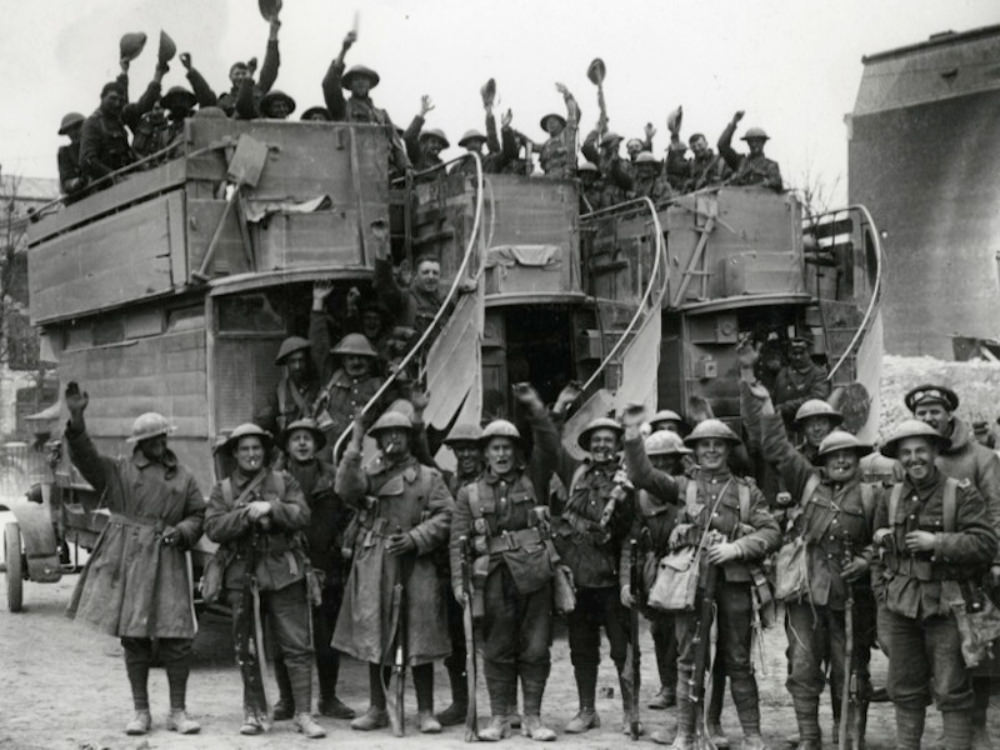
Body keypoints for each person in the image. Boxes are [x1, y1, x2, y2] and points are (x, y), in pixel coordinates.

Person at [625, 416, 780, 750]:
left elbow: (771, 531)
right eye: (704, 445)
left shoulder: (746, 490)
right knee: (688, 657)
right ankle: (686, 732)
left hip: (735, 583)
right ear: (694, 451)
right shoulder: (682, 486)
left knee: (738, 659)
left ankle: (752, 734)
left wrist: (737, 548)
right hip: (691, 583)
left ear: (728, 450)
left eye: (717, 445)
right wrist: (632, 436)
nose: (711, 451)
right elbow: (641, 475)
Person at [63, 383, 205, 736]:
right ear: (139, 444)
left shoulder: (184, 476)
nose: (159, 444)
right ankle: (141, 712)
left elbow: (198, 514)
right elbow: (85, 458)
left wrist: (183, 531)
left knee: (177, 636)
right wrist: (78, 419)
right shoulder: (120, 471)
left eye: (162, 437)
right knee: (135, 636)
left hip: (169, 556)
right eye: (152, 439)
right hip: (132, 558)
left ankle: (178, 711)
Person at [747, 381, 878, 750]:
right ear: (822, 460)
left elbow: (884, 543)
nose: (841, 461)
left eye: (848, 455)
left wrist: (866, 561)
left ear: (857, 457)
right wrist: (768, 407)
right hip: (805, 594)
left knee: (850, 670)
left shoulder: (872, 496)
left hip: (850, 598)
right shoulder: (808, 480)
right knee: (803, 666)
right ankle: (809, 736)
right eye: (834, 456)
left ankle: (848, 736)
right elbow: (776, 447)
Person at [871, 419, 997, 750]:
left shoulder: (961, 492)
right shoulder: (892, 496)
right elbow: (876, 550)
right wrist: (882, 592)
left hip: (947, 606)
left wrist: (937, 542)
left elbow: (986, 543)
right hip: (901, 606)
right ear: (899, 458)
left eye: (921, 451)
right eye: (907, 453)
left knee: (951, 688)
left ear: (935, 452)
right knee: (904, 687)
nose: (915, 459)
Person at [450, 384, 562, 741]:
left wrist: (535, 408)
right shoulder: (468, 493)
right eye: (495, 448)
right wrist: (458, 583)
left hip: (533, 574)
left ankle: (531, 717)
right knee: (497, 648)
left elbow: (548, 443)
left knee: (535, 647)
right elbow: (457, 542)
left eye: (507, 448)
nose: (501, 454)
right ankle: (499, 717)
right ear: (485, 454)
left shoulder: (534, 478)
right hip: (492, 578)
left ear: (516, 452)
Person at [333, 411, 455, 734]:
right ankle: (377, 708)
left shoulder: (430, 477)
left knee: (421, 632)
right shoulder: (369, 474)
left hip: (417, 562)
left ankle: (426, 710)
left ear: (410, 437)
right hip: (376, 558)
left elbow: (447, 516)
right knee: (376, 632)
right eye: (386, 435)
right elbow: (346, 491)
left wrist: (416, 538)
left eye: (399, 433)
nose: (393, 439)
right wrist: (355, 441)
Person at [204, 423, 324, 739]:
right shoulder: (224, 490)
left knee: (297, 646)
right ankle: (255, 713)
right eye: (244, 449)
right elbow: (214, 528)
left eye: (256, 448)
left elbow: (303, 515)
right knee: (248, 647)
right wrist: (246, 515)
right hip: (242, 576)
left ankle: (303, 714)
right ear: (235, 454)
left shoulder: (284, 481)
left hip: (284, 574)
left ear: (265, 451)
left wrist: (272, 507)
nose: (251, 454)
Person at [904, 383, 1000, 749]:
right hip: (930, 576)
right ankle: (953, 727)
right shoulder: (913, 456)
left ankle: (976, 727)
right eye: (922, 412)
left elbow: (995, 512)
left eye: (935, 411)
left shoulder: (981, 457)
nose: (929, 418)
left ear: (948, 415)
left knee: (979, 651)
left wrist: (996, 561)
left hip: (974, 568)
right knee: (943, 654)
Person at [551, 416, 639, 735]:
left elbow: (631, 531)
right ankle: (587, 710)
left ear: (617, 445)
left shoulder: (626, 479)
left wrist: (624, 500)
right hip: (580, 578)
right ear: (588, 446)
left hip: (613, 578)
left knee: (623, 649)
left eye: (608, 440)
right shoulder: (579, 475)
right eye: (596, 440)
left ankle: (631, 712)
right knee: (582, 648)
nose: (602, 445)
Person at [277, 418, 356, 720]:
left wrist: (343, 539)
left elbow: (351, 511)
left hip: (326, 565)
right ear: (287, 445)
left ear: (316, 445)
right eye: (295, 438)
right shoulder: (276, 480)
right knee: (287, 634)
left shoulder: (333, 478)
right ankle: (288, 700)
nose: (301, 443)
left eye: (307, 438)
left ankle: (329, 697)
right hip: (286, 563)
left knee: (326, 636)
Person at [619, 417, 691, 714]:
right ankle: (668, 686)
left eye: (667, 460)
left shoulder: (687, 489)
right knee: (660, 632)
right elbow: (629, 541)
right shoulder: (640, 498)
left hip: (684, 569)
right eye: (655, 460)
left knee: (685, 634)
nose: (661, 465)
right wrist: (626, 580)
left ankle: (689, 688)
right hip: (654, 570)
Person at [433, 422, 486, 727]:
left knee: (497, 639)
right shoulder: (449, 482)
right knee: (458, 640)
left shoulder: (488, 481)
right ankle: (462, 702)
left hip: (488, 568)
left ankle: (506, 706)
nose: (465, 454)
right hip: (455, 569)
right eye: (460, 448)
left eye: (471, 448)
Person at [322, 29, 410, 174]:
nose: (361, 83)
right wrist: (343, 50)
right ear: (349, 85)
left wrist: (407, 168)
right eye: (356, 79)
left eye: (364, 79)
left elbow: (396, 145)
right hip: (352, 170)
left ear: (370, 84)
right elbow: (329, 85)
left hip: (380, 171)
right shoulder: (343, 108)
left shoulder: (382, 114)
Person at [79, 59, 166, 184]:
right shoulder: (92, 123)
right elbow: (87, 160)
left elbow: (128, 152)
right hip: (104, 187)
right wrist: (113, 177)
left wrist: (144, 165)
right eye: (112, 99)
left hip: (125, 181)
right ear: (102, 97)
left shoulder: (117, 123)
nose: (117, 104)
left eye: (120, 100)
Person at [313, 333, 384, 454]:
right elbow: (319, 348)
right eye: (351, 358)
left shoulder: (379, 386)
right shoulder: (332, 380)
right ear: (343, 360)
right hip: (332, 448)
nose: (356, 362)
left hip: (366, 452)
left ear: (369, 361)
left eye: (361, 358)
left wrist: (403, 382)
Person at [254, 335, 322, 435]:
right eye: (293, 361)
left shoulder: (319, 388)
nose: (297, 366)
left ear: (307, 361)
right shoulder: (278, 391)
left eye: (301, 360)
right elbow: (264, 424)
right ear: (286, 364)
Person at [218, 13, 281, 116]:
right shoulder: (224, 101)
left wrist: (273, 35)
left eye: (244, 73)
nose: (241, 77)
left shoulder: (259, 90)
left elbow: (270, 68)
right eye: (237, 74)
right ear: (230, 77)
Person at [771, 338, 831, 432]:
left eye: (802, 353)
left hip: (807, 427)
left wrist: (785, 407)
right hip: (782, 428)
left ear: (809, 353)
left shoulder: (818, 373)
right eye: (794, 353)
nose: (798, 357)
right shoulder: (782, 373)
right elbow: (774, 397)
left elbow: (817, 398)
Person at [665, 107, 729, 193]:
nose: (697, 149)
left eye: (700, 145)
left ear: (706, 143)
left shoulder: (720, 161)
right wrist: (675, 135)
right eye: (693, 147)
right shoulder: (691, 165)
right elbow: (672, 168)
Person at [718, 111, 782, 191]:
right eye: (751, 141)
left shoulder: (771, 165)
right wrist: (734, 123)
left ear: (763, 142)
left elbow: (776, 183)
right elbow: (722, 146)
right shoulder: (740, 162)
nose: (754, 144)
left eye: (757, 141)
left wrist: (764, 184)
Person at [536, 83, 579, 179]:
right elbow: (530, 145)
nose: (550, 124)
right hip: (548, 179)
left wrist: (567, 94)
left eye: (553, 121)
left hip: (565, 178)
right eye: (548, 123)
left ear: (561, 124)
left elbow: (572, 113)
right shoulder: (545, 145)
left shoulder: (566, 136)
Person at [57, 112, 87, 200]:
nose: (73, 133)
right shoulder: (66, 152)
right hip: (83, 198)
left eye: (77, 127)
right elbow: (66, 183)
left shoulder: (98, 143)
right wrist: (77, 182)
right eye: (68, 130)